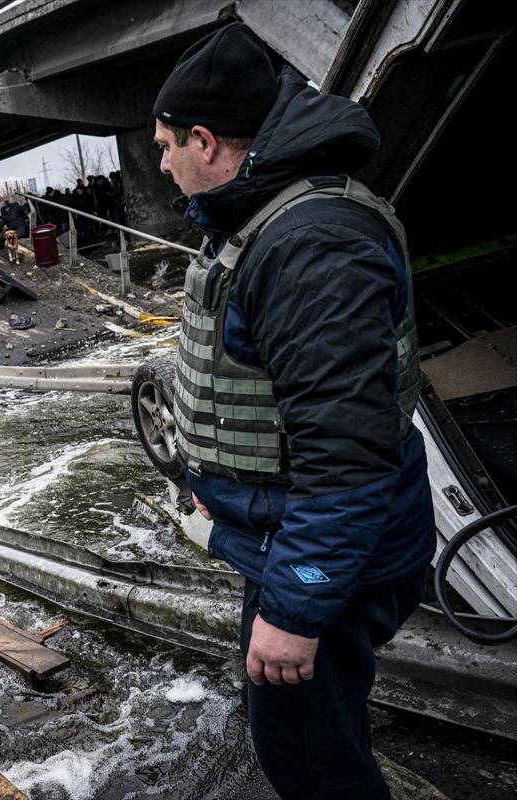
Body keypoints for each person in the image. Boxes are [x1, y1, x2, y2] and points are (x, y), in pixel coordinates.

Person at [154, 23, 433, 799]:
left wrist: (297, 605)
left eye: (166, 145)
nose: (162, 163)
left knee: (310, 763)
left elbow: (346, 449)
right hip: (301, 541)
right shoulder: (274, 219)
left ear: (205, 142)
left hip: (330, 555)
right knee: (316, 739)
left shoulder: (311, 244)